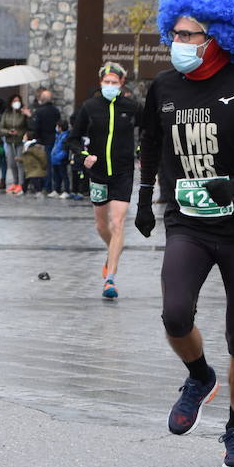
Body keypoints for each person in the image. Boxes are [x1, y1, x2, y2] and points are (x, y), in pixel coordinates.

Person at [134, 0, 234, 467]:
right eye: (174, 33)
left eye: (191, 35)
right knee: (175, 314)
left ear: (218, 36)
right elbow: (151, 143)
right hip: (187, 221)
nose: (180, 43)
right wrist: (143, 198)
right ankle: (199, 376)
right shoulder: (164, 87)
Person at [71, 62, 142, 298]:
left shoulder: (131, 107)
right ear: (100, 82)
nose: (110, 86)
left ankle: (110, 279)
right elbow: (73, 139)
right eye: (106, 82)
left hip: (123, 172)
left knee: (117, 223)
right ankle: (113, 250)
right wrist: (84, 157)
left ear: (121, 83)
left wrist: (141, 150)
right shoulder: (89, 107)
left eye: (114, 82)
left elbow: (150, 130)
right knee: (102, 226)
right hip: (98, 173)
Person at [27, 88, 61, 196]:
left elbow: (36, 127)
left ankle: (44, 187)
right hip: (53, 140)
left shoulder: (39, 111)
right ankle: (52, 187)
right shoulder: (56, 111)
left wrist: (36, 137)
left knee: (43, 165)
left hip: (42, 141)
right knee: (51, 165)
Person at [0, 93, 28, 193]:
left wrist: (27, 115)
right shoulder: (6, 113)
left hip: (20, 141)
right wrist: (8, 132)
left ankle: (21, 184)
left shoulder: (23, 113)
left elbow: (27, 126)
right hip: (9, 141)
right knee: (11, 163)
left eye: (18, 101)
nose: (17, 103)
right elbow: (1, 128)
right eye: (14, 101)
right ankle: (15, 183)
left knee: (20, 162)